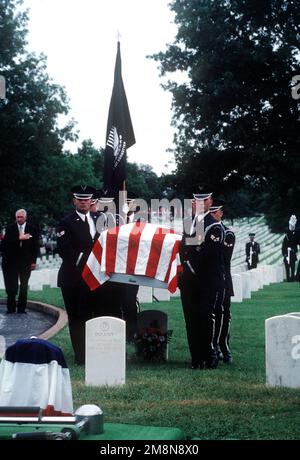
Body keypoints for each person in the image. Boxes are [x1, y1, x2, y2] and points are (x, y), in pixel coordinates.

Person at [179, 192, 225, 370]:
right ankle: (196, 358)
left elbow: (209, 252)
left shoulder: (214, 226)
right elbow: (184, 248)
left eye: (204, 200)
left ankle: (209, 355)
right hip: (188, 282)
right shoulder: (188, 222)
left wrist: (189, 265)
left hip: (207, 280)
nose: (200, 203)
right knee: (191, 320)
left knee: (205, 318)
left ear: (210, 202)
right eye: (197, 200)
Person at [56, 185, 99, 365]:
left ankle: (93, 351)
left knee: (90, 315)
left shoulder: (99, 219)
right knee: (76, 317)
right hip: (73, 278)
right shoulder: (66, 222)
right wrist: (88, 260)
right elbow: (64, 250)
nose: (83, 202)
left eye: (86, 199)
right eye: (80, 199)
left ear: (91, 201)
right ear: (74, 201)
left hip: (93, 277)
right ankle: (81, 356)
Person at [210, 201, 235, 364]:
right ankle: (211, 346)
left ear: (221, 213)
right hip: (207, 279)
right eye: (210, 212)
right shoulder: (202, 229)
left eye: (215, 212)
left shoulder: (228, 233)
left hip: (222, 279)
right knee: (212, 315)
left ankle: (222, 346)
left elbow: (223, 259)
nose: (213, 215)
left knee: (224, 314)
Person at [0, 209, 39, 313]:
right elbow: (5, 245)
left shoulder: (32, 229)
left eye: (21, 217)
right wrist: (19, 238)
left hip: (25, 262)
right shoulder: (9, 228)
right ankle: (11, 308)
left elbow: (35, 246)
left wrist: (33, 261)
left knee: (24, 285)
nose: (19, 219)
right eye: (17, 217)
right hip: (11, 262)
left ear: (25, 217)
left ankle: (22, 308)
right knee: (11, 286)